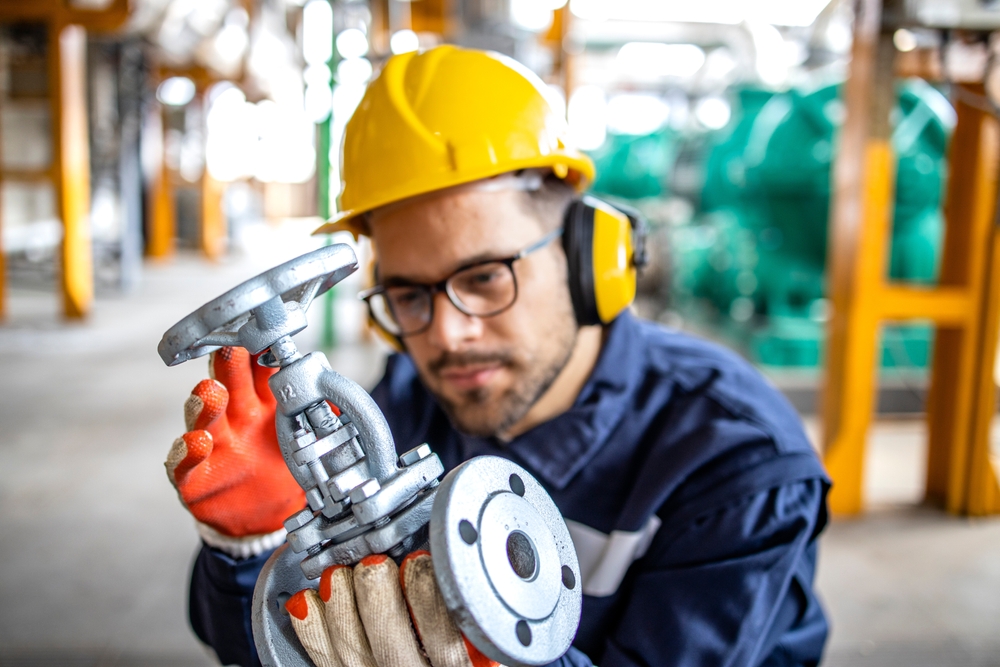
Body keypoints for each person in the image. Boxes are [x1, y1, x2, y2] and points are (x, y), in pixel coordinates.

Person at [166, 46, 830, 667]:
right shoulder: (408, 399)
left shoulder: (736, 462)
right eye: (409, 295)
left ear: (590, 258)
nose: (448, 335)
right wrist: (252, 544)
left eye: (485, 277)